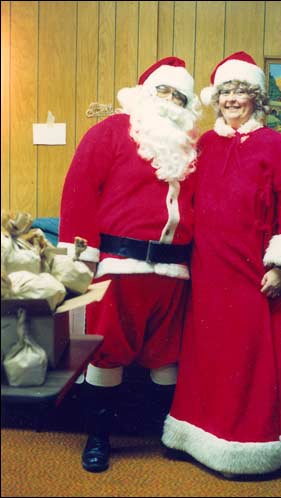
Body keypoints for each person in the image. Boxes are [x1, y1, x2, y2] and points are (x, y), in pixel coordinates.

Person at [162, 52, 281, 477]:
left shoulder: (277, 146)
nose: (231, 100)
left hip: (251, 273)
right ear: (216, 98)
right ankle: (197, 439)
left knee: (247, 361)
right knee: (205, 357)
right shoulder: (205, 144)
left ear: (256, 99)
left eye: (240, 92)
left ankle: (248, 448)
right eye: (225, 92)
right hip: (206, 272)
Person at [58, 56, 201, 473]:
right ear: (143, 93)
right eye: (163, 91)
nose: (170, 101)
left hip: (174, 274)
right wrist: (81, 258)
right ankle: (98, 437)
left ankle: (165, 432)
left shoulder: (192, 145)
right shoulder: (109, 132)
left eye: (179, 96)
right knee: (107, 352)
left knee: (167, 354)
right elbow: (79, 192)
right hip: (119, 267)